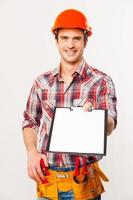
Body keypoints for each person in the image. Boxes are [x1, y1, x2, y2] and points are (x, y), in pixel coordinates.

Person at [22, 9, 117, 200]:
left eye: (76, 38)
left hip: (84, 184)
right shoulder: (42, 82)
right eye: (64, 38)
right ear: (56, 40)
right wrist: (32, 152)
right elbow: (30, 121)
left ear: (85, 41)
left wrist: (97, 117)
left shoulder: (101, 82)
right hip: (48, 181)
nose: (70, 45)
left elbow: (110, 124)